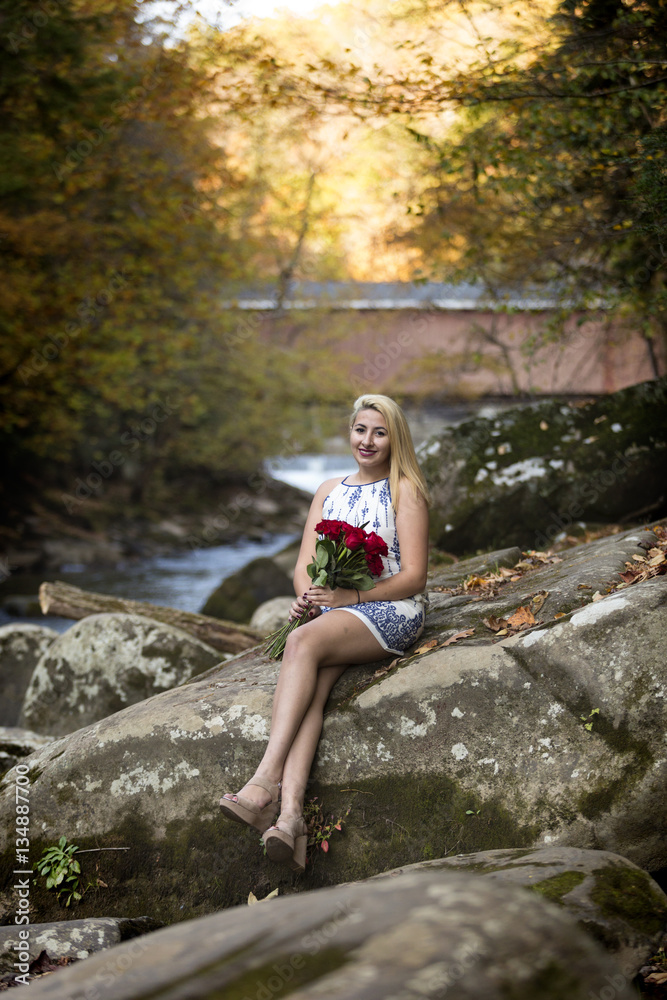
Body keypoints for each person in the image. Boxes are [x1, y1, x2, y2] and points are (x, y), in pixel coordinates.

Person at [220, 393, 430, 871]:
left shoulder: (405, 490)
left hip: (391, 610)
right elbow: (304, 567)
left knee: (300, 643)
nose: (368, 440)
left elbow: (414, 576)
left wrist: (347, 600)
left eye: (379, 432)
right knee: (311, 693)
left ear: (394, 437)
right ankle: (290, 819)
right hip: (336, 614)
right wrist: (308, 596)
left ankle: (264, 781)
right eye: (361, 429)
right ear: (349, 432)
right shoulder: (327, 491)